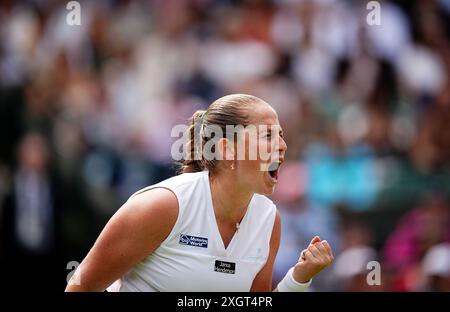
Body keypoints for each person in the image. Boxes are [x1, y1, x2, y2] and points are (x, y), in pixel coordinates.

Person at [65, 94, 333, 292]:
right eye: (267, 135)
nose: (283, 146)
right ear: (228, 149)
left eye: (281, 135)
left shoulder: (268, 219)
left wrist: (299, 278)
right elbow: (80, 286)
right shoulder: (162, 206)